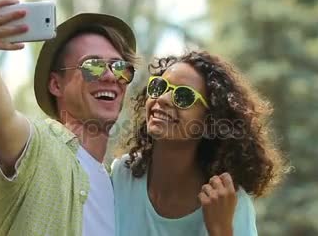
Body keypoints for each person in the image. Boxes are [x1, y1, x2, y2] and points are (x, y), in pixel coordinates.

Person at [0, 0, 138, 235]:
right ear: (56, 85)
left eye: (120, 67)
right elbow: (0, 116)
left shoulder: (117, 188)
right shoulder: (37, 147)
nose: (111, 77)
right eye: (92, 66)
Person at [112, 50, 287, 236]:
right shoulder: (122, 175)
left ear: (210, 120)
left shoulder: (229, 203)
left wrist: (221, 230)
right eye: (159, 87)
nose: (162, 99)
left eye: (184, 96)